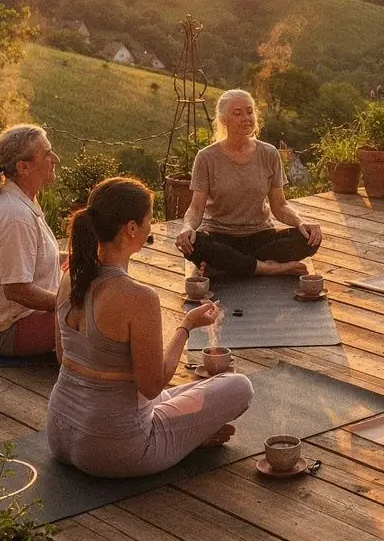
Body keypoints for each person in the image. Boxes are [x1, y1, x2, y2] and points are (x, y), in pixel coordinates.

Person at [47, 178, 253, 478]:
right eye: (149, 219)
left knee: (167, 397)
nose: (151, 227)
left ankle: (186, 432)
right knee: (238, 387)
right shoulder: (138, 297)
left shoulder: (70, 278)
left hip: (59, 431)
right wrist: (186, 326)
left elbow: (62, 355)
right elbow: (152, 384)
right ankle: (188, 436)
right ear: (131, 228)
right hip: (116, 449)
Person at [176, 90, 322, 280]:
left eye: (249, 111)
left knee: (309, 239)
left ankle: (231, 265)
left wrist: (300, 222)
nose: (246, 118)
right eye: (237, 113)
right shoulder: (206, 157)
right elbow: (196, 208)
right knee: (195, 244)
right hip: (220, 237)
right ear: (223, 120)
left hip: (260, 236)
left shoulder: (269, 153)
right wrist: (187, 227)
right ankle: (271, 268)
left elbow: (280, 205)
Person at [0, 125, 60, 357]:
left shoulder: (20, 200)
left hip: (18, 319)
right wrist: (69, 304)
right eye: (47, 154)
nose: (55, 158)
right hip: (2, 332)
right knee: (99, 319)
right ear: (23, 167)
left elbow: (34, 255)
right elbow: (18, 290)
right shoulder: (14, 215)